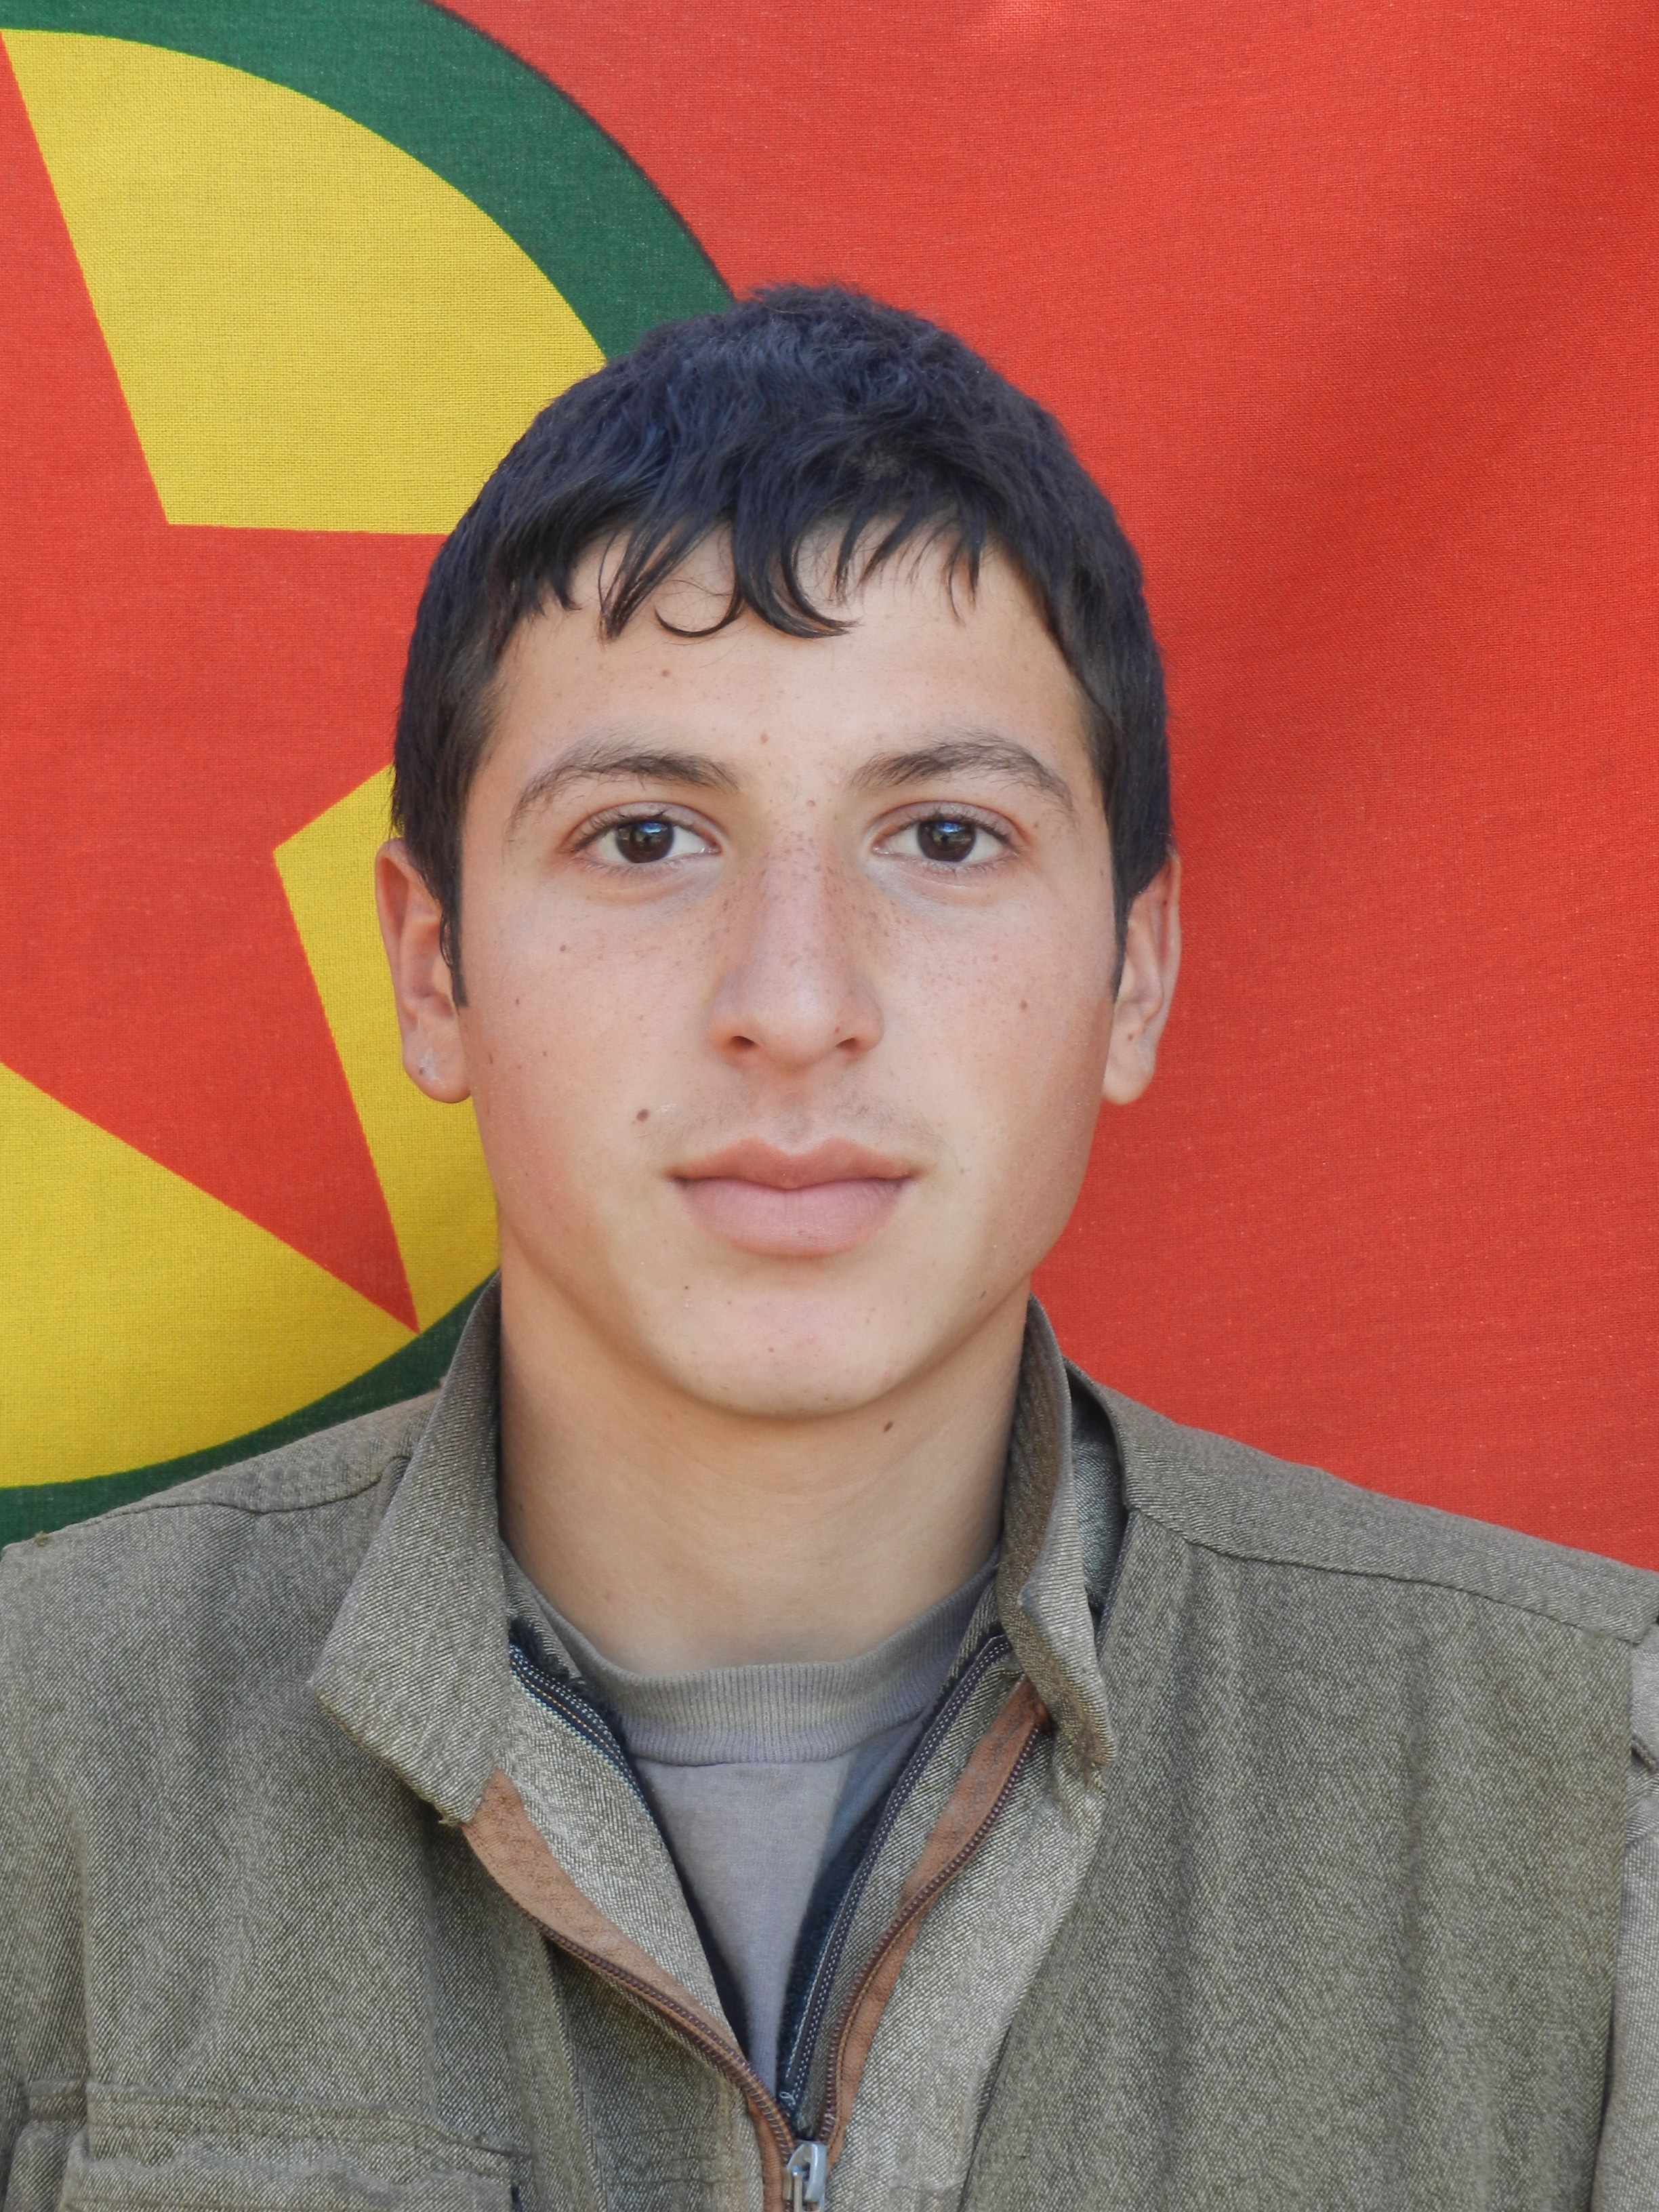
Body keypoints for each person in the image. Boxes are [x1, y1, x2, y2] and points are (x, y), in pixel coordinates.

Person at [1, 287, 1654, 2212]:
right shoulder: (40, 1759)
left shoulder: (1585, 1815)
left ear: (1136, 974)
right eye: (644, 838)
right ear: (432, 968)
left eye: (945, 839)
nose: (794, 1006)